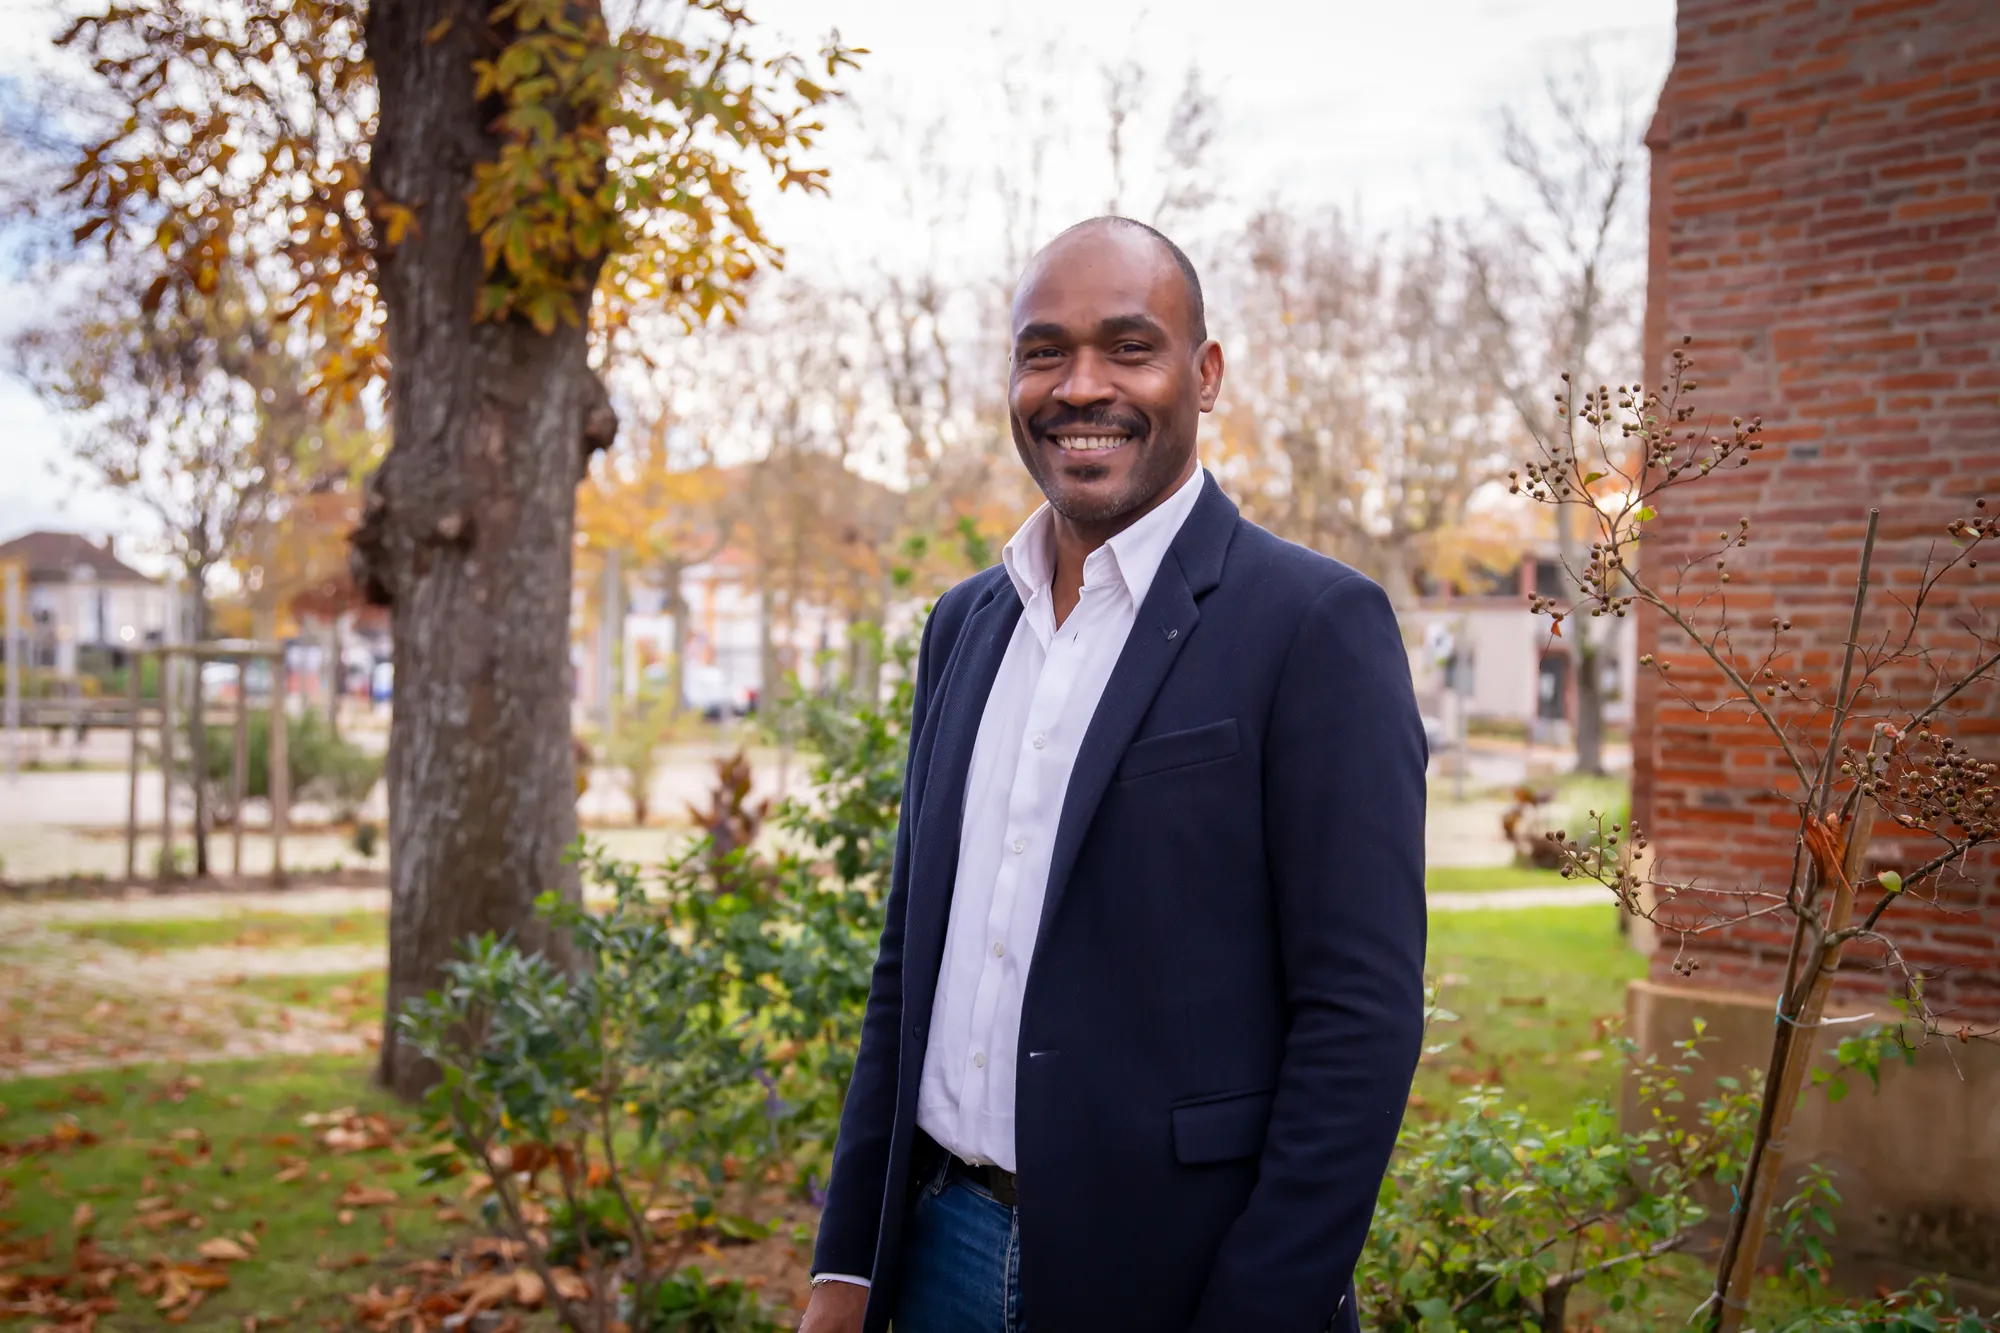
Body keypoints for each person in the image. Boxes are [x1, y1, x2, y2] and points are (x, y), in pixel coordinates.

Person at [798, 217, 1427, 1333]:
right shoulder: (964, 625)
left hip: (1174, 1281)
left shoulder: (1313, 625)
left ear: (1205, 373)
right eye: (1043, 351)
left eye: (1127, 348)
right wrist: (846, 1264)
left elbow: (1359, 1019)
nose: (1079, 385)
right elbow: (910, 961)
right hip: (936, 1248)